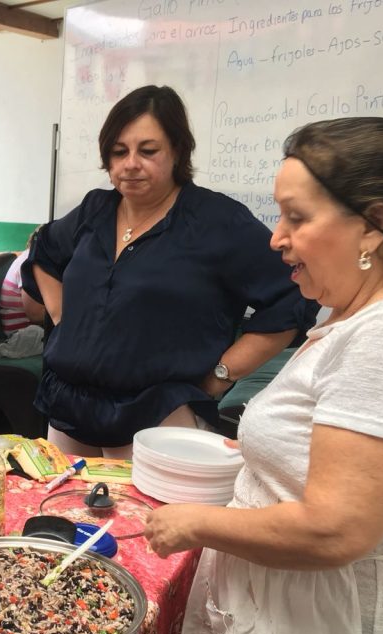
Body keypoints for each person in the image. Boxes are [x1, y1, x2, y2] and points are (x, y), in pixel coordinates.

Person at [146, 117, 383, 634]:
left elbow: (336, 529)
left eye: (295, 218)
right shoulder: (357, 313)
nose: (277, 239)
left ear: (373, 223)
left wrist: (195, 522)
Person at [23, 85, 317, 458]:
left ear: (177, 151)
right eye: (118, 152)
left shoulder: (216, 222)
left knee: (151, 517)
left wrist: (222, 374)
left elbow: (288, 296)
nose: (130, 163)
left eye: (148, 151)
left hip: (158, 418)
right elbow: (45, 249)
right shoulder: (95, 210)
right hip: (69, 411)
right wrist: (62, 316)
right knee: (63, 511)